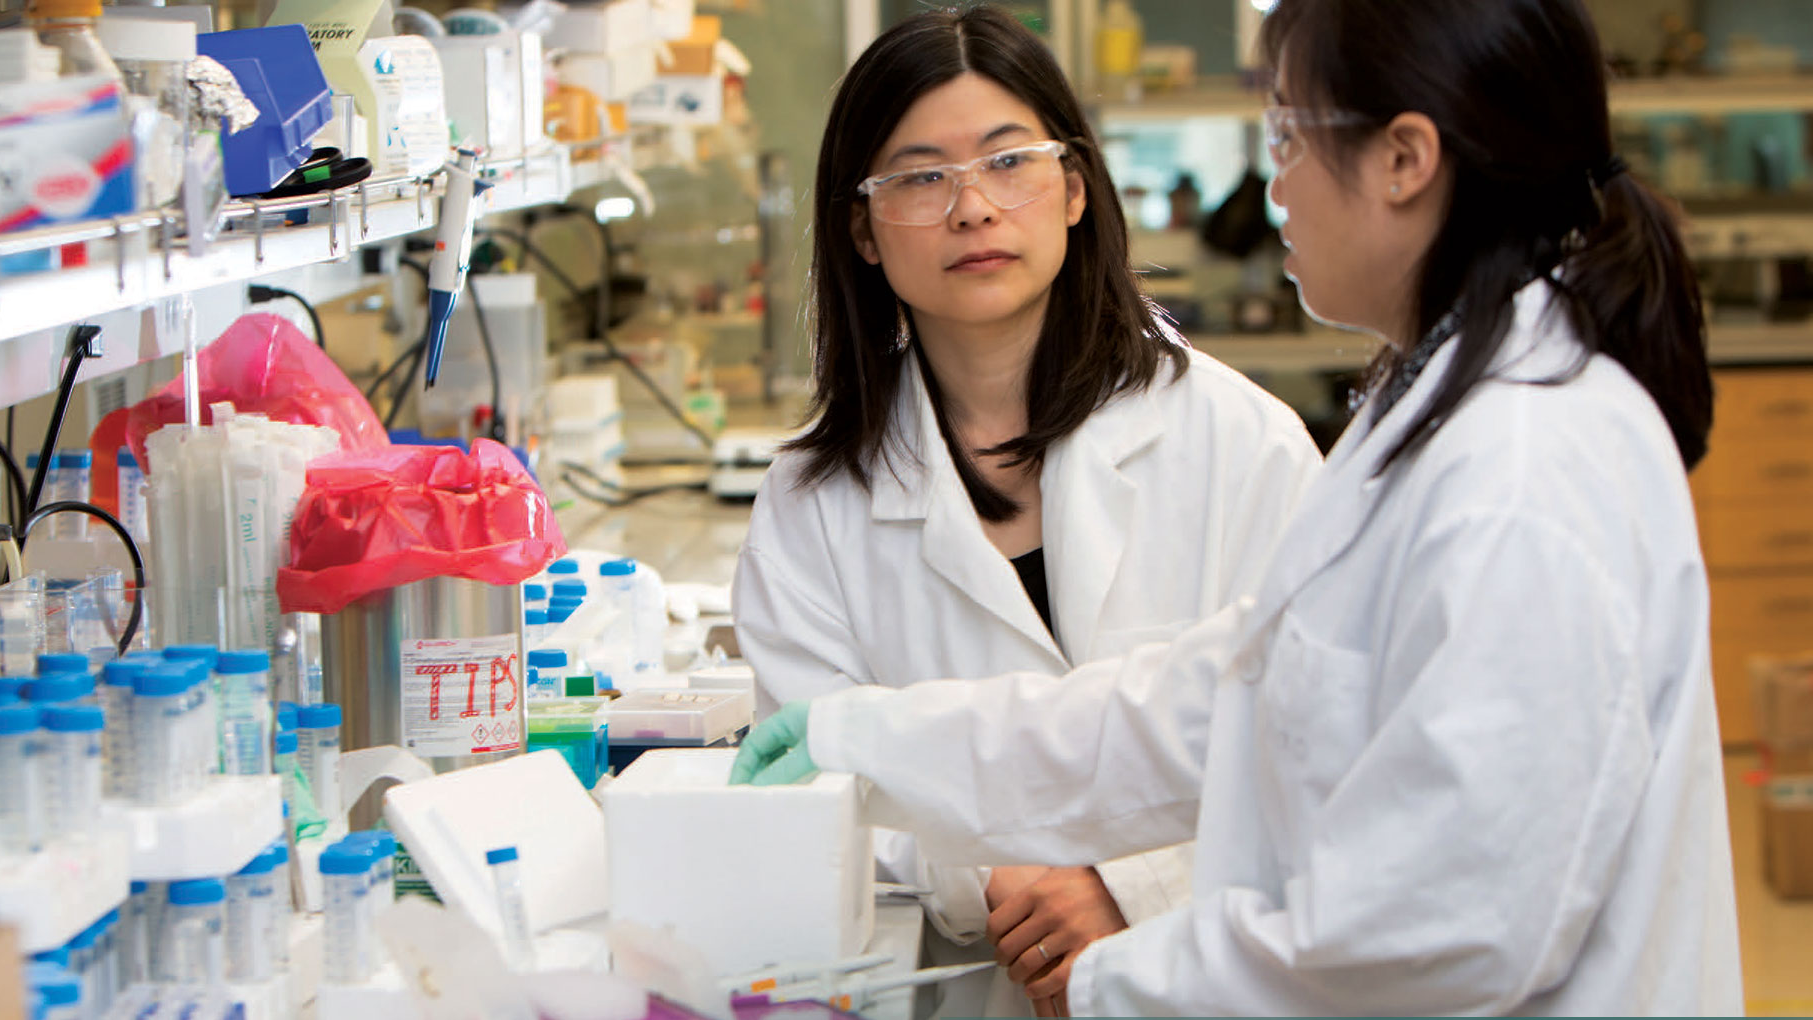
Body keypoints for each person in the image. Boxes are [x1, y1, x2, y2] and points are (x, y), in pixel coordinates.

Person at [731, 0, 1743, 1014]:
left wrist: (1115, 975)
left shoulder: (1522, 468)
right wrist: (875, 742)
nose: (1271, 185)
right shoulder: (1442, 417)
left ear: (1405, 160)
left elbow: (1454, 925)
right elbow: (1231, 702)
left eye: (1288, 136)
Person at [730, 7, 1321, 1017]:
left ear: (1078, 188)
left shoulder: (1243, 443)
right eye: (920, 176)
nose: (972, 208)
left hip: (1207, 976)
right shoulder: (810, 506)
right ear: (861, 230)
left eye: (1010, 162)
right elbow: (813, 791)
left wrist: (1127, 889)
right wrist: (1002, 875)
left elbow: (1311, 749)